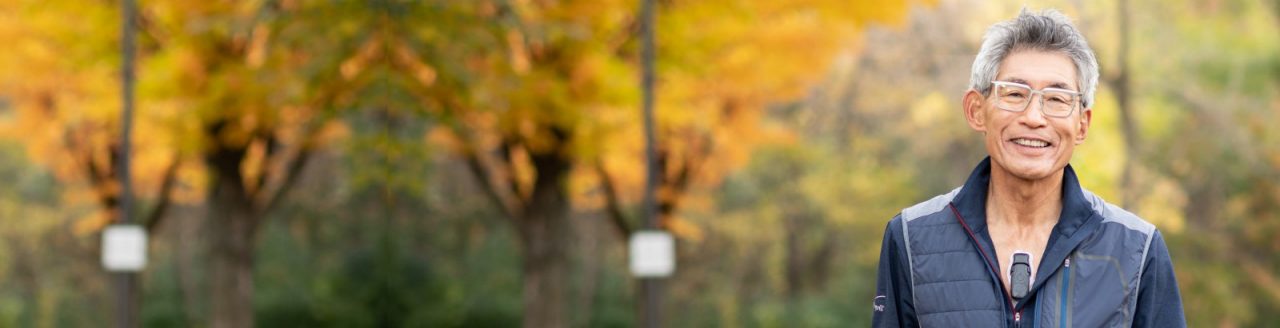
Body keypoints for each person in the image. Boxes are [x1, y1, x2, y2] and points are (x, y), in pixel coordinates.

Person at [871, 8, 1186, 327]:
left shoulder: (1137, 248)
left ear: (1082, 124)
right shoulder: (912, 239)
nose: (1034, 117)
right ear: (976, 110)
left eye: (1057, 98)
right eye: (1015, 93)